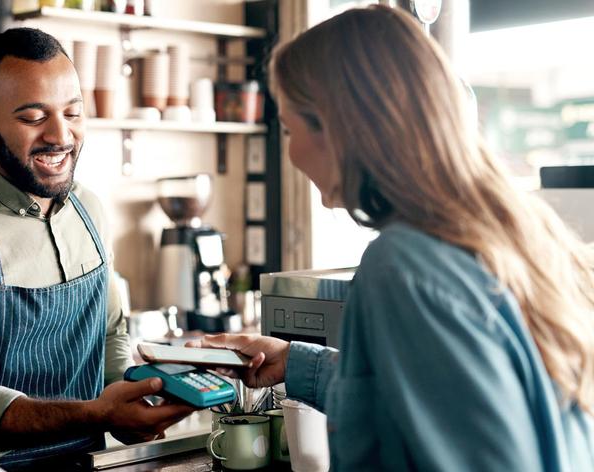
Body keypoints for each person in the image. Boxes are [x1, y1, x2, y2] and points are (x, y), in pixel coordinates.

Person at [191, 6, 594, 471]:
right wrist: (297, 363)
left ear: (338, 129)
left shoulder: (402, 266)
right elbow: (441, 398)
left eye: (289, 128)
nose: (291, 151)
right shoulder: (514, 231)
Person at [0, 27, 193, 469]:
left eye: (73, 113)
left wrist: (132, 396)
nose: (60, 135)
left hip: (85, 463)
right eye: (33, 118)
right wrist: (94, 413)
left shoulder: (89, 210)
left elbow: (110, 336)